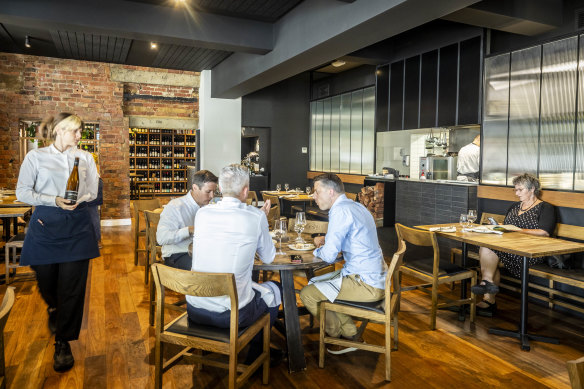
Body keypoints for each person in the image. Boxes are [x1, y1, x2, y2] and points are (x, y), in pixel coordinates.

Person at [16, 113, 100, 372]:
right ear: (60, 130)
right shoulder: (36, 157)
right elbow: (22, 192)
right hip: (45, 225)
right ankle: (53, 306)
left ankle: (63, 342)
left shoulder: (85, 158)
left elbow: (93, 191)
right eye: (75, 131)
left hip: (77, 226)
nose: (79, 136)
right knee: (46, 279)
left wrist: (80, 198)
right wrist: (54, 200)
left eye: (80, 131)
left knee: (73, 287)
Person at [186, 164, 281, 364]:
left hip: (195, 307)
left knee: (246, 285)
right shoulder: (255, 217)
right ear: (246, 191)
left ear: (219, 188)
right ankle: (254, 357)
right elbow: (269, 258)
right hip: (231, 314)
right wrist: (262, 218)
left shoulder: (202, 214)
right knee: (275, 289)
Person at [299, 173, 387, 354]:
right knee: (318, 283)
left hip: (366, 283)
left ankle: (335, 336)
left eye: (317, 192)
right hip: (376, 276)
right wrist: (327, 238)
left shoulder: (340, 211)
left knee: (308, 293)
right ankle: (350, 333)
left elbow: (329, 256)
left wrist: (317, 246)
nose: (313, 196)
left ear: (330, 192)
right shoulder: (356, 206)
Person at [471, 173, 556, 317]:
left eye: (520, 190)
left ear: (532, 189)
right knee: (487, 248)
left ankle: (488, 295)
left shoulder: (545, 208)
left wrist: (518, 230)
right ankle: (488, 290)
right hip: (509, 247)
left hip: (530, 251)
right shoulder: (515, 206)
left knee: (488, 252)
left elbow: (544, 232)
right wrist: (498, 226)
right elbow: (509, 225)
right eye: (515, 190)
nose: (516, 193)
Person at [156, 170, 218, 270]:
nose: (212, 196)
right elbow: (161, 238)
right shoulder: (175, 206)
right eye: (208, 192)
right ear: (195, 188)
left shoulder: (208, 208)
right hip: (177, 255)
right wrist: (189, 230)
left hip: (201, 252)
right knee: (209, 269)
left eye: (214, 191)